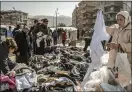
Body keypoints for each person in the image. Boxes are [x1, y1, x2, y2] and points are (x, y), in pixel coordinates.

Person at [106, 11, 131, 91]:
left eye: (121, 20)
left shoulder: (130, 30)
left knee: (125, 80)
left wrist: (119, 45)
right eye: (118, 19)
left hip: (127, 59)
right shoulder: (117, 28)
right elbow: (107, 31)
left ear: (126, 19)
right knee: (116, 77)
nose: (119, 22)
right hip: (115, 58)